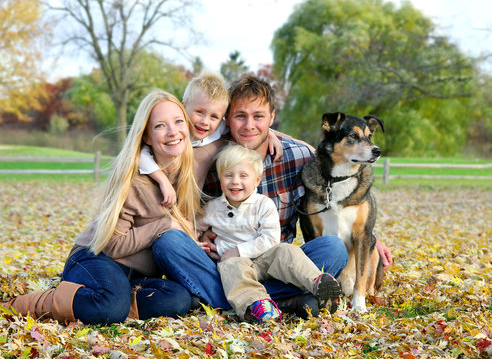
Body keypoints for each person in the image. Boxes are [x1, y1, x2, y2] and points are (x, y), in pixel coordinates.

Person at [0, 90, 203, 324]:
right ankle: (6, 307)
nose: (173, 131)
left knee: (178, 299)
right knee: (111, 305)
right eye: (160, 125)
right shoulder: (135, 181)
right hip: (95, 259)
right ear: (146, 135)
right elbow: (114, 244)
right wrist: (165, 225)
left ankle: (101, 302)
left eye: (178, 121)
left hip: (135, 278)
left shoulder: (185, 176)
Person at [152, 75, 393, 318]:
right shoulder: (209, 158)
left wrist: (370, 237)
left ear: (271, 118)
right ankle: (287, 298)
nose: (249, 126)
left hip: (277, 263)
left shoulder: (299, 156)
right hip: (226, 265)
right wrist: (197, 238)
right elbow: (184, 214)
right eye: (240, 116)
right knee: (168, 243)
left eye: (258, 116)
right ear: (227, 119)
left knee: (333, 249)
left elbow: (336, 184)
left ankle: (235, 299)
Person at [199, 144, 342, 323]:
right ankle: (259, 304)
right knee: (230, 268)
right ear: (220, 179)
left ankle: (318, 283)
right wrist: (198, 239)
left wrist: (239, 250)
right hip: (236, 264)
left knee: (286, 251)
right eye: (228, 175)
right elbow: (193, 228)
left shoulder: (263, 205)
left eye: (243, 176)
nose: (235, 181)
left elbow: (270, 238)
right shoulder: (212, 208)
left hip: (265, 259)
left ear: (257, 180)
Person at [139, 71, 285, 205]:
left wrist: (271, 134)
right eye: (199, 112)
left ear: (222, 118)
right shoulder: (175, 133)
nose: (205, 122)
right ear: (183, 108)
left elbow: (249, 128)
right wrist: (161, 179)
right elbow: (140, 155)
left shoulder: (218, 128)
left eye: (214, 116)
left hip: (188, 204)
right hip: (158, 195)